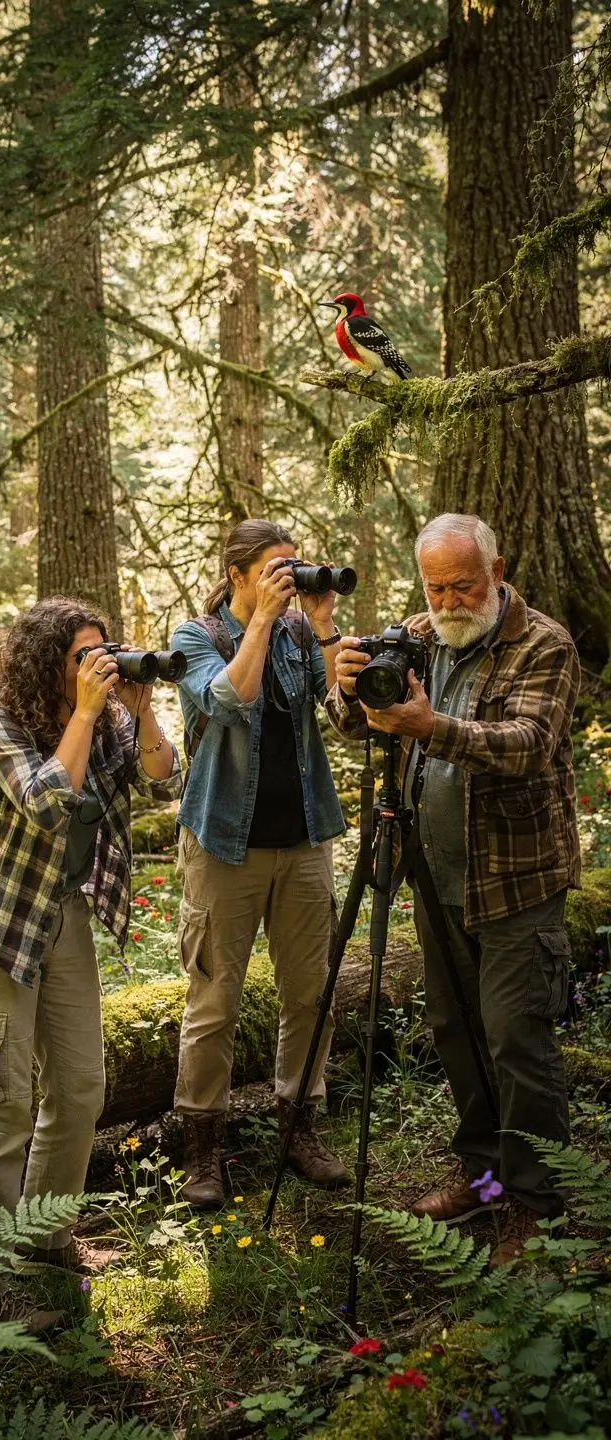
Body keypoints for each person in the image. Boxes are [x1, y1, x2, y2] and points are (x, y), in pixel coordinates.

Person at [330, 512, 580, 1267]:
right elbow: (362, 726)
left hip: (516, 879)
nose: (447, 600)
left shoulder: (545, 644)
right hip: (435, 877)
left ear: (496, 572)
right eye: (435, 586)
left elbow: (527, 748)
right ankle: (483, 1176)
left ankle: (538, 1203)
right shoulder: (419, 635)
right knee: (456, 1033)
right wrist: (347, 690)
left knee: (516, 1042)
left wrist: (428, 724)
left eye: (462, 584)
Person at [0, 597, 181, 1321]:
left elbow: (164, 775)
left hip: (61, 913)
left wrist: (138, 710)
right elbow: (46, 804)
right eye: (81, 656)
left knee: (79, 1088)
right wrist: (83, 714)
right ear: (48, 661)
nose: (96, 667)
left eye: (101, 652)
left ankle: (41, 1242)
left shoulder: (107, 719)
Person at [170, 519, 351, 1208]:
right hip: (223, 845)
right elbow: (228, 700)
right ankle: (203, 1152)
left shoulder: (302, 634)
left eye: (294, 566)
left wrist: (323, 623)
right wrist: (264, 622)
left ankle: (299, 1127)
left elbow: (341, 710)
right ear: (238, 574)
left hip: (304, 839)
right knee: (214, 1002)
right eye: (276, 569)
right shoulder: (196, 637)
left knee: (311, 997)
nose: (287, 578)